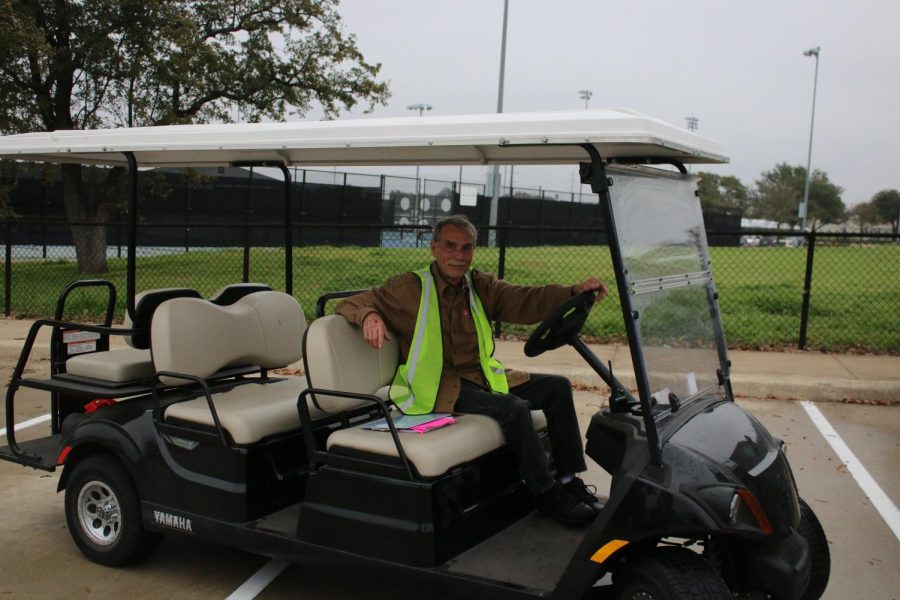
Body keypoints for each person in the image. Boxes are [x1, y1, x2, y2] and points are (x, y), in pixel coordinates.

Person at [335, 214, 608, 527]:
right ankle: (545, 493)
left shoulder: (480, 285)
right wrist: (369, 316)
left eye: (466, 248)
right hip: (440, 387)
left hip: (482, 377)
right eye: (450, 246)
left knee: (557, 387)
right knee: (514, 409)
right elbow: (351, 303)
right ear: (434, 248)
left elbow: (526, 299)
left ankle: (567, 478)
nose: (458, 255)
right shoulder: (409, 288)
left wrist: (573, 291)